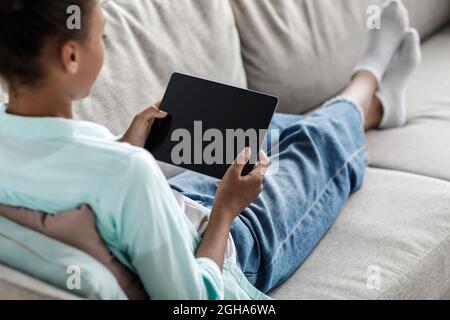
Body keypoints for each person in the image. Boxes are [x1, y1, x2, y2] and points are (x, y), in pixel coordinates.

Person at [0, 0, 420, 299]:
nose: (104, 46)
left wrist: (123, 147)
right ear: (71, 55)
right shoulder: (127, 173)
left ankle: (376, 109)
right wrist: (226, 210)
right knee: (316, 146)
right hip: (229, 247)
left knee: (265, 130)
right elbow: (193, 301)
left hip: (171, 207)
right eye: (102, 34)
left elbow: (81, 191)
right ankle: (366, 83)